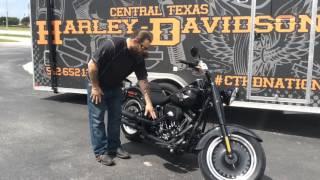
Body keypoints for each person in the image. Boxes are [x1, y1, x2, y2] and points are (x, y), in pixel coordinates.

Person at [87, 31, 157, 166]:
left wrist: (148, 103)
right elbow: (92, 65)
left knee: (116, 118)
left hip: (115, 87)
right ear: (136, 41)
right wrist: (95, 87)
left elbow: (142, 80)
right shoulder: (113, 45)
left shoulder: (138, 56)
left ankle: (114, 147)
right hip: (97, 85)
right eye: (144, 47)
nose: (145, 51)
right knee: (97, 119)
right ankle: (101, 152)